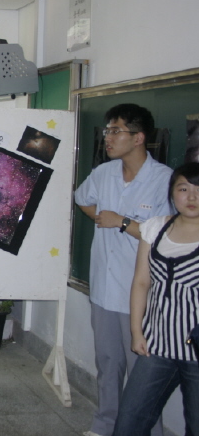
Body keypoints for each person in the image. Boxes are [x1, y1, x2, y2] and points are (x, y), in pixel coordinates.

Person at [75, 103, 172, 436]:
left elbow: (169, 234)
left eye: (115, 131)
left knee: (143, 375)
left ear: (139, 137)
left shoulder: (164, 180)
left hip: (141, 294)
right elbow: (83, 199)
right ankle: (105, 425)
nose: (108, 138)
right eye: (107, 131)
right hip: (103, 288)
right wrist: (103, 218)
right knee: (108, 365)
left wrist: (122, 222)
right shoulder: (103, 173)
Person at [113, 163, 199, 436]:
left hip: (196, 350)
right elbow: (141, 282)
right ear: (172, 193)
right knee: (129, 421)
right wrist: (136, 332)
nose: (192, 197)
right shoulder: (155, 228)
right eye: (183, 189)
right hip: (157, 345)